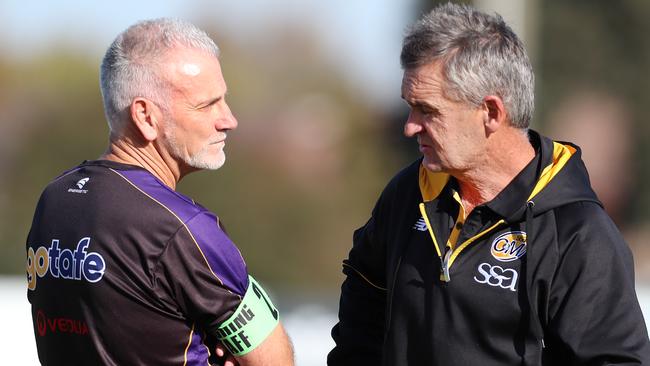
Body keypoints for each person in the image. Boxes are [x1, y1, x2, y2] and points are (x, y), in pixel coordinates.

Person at [328, 3, 650, 365]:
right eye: (409, 106)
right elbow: (363, 305)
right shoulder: (407, 194)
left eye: (428, 110)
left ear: (492, 113)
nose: (409, 126)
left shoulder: (578, 235)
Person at [25, 18, 293, 366]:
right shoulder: (183, 229)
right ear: (146, 116)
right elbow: (274, 360)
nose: (228, 119)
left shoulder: (54, 199)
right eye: (207, 105)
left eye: (224, 100)